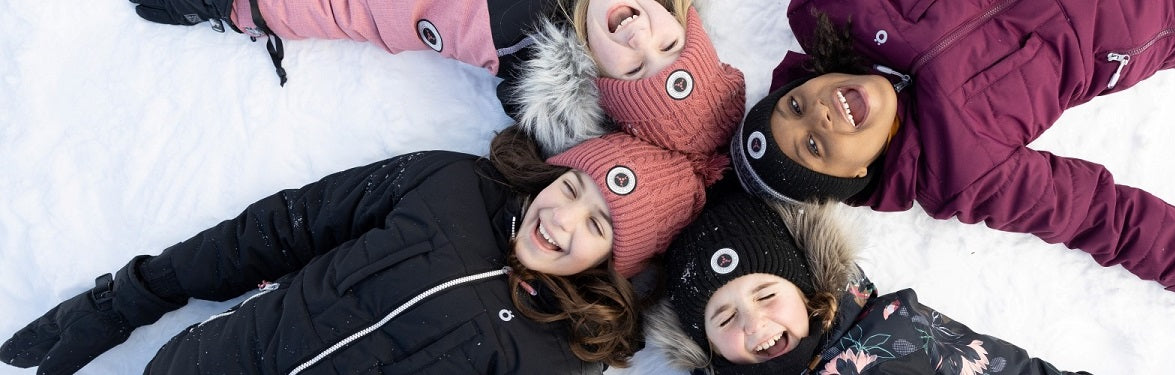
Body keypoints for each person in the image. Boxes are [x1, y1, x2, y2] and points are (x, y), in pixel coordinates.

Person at [729, 0, 1175, 319]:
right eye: (814, 148)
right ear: (851, 178)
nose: (816, 116)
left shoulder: (853, 11)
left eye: (794, 108)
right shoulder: (961, 166)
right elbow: (1096, 214)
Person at [0, 127, 721, 375]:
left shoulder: (558, 360)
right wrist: (132, 294)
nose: (562, 219)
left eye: (597, 226)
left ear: (613, 268)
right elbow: (279, 228)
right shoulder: (450, 185)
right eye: (572, 186)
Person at [125, 0, 746, 156]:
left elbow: (369, 12)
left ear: (602, 81)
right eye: (669, 43)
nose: (642, 38)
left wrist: (246, 9)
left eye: (637, 66)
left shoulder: (504, 29)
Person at [647, 185, 1091, 374]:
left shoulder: (893, 328)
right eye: (724, 320)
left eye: (766, 294)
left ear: (807, 290)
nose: (752, 323)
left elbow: (992, 366)